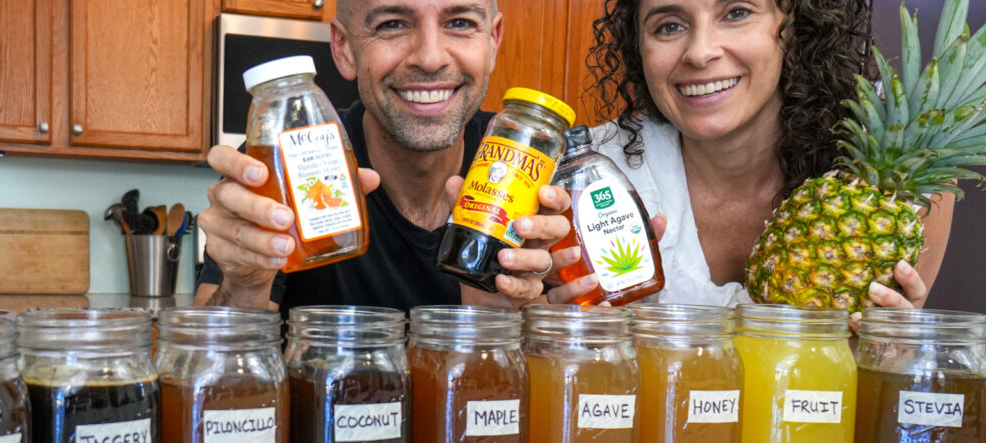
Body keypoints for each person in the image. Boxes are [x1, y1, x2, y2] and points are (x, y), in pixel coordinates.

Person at [561, 0, 952, 308]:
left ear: (794, 29)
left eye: (736, 13)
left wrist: (892, 345)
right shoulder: (584, 177)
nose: (700, 52)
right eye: (670, 25)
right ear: (639, 47)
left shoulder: (892, 171)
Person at [195, 0, 577, 312]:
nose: (429, 58)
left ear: (493, 40)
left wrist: (502, 320)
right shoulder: (286, 166)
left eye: (460, 22)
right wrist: (243, 288)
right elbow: (206, 382)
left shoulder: (536, 169)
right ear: (344, 49)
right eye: (392, 24)